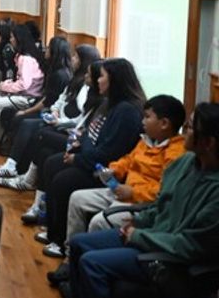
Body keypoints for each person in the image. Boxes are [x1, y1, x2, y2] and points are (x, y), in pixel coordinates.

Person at [65, 101, 219, 298]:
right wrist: (138, 222)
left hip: (168, 258)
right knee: (78, 244)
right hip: (151, 234)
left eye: (190, 128)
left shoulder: (214, 191)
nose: (184, 132)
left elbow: (189, 246)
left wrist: (138, 235)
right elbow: (160, 204)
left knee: (91, 263)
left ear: (208, 142)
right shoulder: (184, 164)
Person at [34, 57, 145, 258]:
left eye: (102, 76)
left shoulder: (127, 111)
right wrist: (77, 149)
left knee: (63, 180)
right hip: (90, 158)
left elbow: (110, 154)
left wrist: (77, 158)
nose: (98, 81)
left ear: (115, 80)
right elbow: (89, 136)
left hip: (106, 172)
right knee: (51, 163)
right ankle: (53, 230)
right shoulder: (109, 103)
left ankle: (61, 241)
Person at [66, 95, 186, 238]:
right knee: (77, 198)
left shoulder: (176, 154)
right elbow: (128, 160)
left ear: (164, 124)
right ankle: (71, 248)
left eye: (147, 117)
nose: (142, 121)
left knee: (99, 222)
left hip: (142, 205)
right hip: (122, 192)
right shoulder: (146, 141)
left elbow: (165, 191)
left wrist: (133, 192)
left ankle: (88, 251)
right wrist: (114, 170)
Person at [0, 44, 101, 181]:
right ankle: (13, 166)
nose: (72, 59)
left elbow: (80, 118)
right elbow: (61, 99)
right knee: (26, 124)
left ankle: (19, 171)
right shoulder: (74, 79)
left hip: (67, 128)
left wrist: (58, 121)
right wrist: (55, 111)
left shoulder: (85, 88)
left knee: (31, 127)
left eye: (75, 57)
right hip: (57, 118)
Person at [0, 36, 72, 153]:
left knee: (20, 118)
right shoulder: (54, 69)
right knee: (7, 112)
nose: (45, 50)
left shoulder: (59, 75)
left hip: (48, 111)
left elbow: (47, 101)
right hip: (41, 104)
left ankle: (15, 152)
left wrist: (26, 111)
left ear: (54, 52)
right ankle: (10, 144)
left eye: (48, 48)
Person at [0, 24, 45, 149]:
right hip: (23, 94)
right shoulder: (24, 56)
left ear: (19, 39)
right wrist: (5, 85)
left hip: (28, 97)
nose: (11, 40)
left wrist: (4, 87)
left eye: (13, 37)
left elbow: (24, 84)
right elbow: (18, 80)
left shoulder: (26, 59)